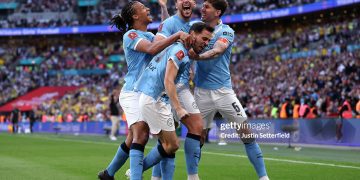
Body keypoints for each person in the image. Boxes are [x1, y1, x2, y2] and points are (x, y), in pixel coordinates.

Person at [97, 1, 189, 179]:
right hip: (132, 92)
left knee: (139, 138)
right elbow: (153, 49)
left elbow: (166, 32)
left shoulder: (147, 34)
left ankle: (109, 173)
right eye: (143, 8)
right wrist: (178, 35)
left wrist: (164, 9)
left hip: (151, 93)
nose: (148, 9)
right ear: (135, 16)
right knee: (141, 133)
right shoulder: (130, 35)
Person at [189, 0, 269, 179]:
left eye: (206, 6)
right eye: (202, 5)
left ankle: (263, 177)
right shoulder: (195, 28)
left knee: (246, 133)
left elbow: (218, 49)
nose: (202, 8)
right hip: (201, 92)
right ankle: (193, 176)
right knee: (198, 138)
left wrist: (198, 57)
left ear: (217, 12)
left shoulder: (226, 31)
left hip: (224, 92)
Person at [131, 22, 213, 180]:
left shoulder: (178, 48)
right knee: (172, 145)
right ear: (192, 34)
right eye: (204, 38)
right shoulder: (179, 51)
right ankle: (136, 173)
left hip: (155, 99)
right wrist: (179, 107)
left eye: (209, 41)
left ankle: (139, 174)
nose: (206, 43)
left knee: (168, 146)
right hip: (154, 100)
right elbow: (168, 81)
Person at [152, 0, 205, 179]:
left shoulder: (193, 26)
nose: (188, 1)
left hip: (182, 85)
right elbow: (157, 45)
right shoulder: (168, 24)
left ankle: (154, 176)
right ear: (177, 3)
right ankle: (192, 177)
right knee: (190, 129)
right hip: (169, 84)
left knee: (172, 137)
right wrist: (176, 38)